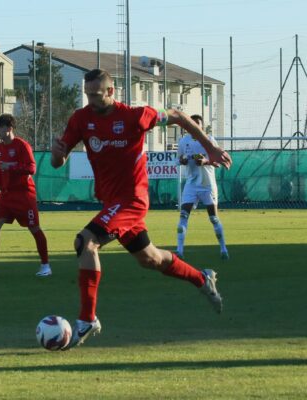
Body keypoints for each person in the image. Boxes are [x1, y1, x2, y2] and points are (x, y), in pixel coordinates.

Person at [51, 69, 232, 350]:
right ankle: (202, 278)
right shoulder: (81, 119)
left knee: (85, 242)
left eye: (96, 95)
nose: (90, 100)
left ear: (111, 92)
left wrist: (209, 148)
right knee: (150, 259)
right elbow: (57, 163)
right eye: (87, 94)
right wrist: (57, 153)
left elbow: (177, 115)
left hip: (132, 200)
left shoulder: (135, 116)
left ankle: (86, 320)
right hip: (113, 204)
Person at [0, 114, 51, 277]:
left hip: (24, 196)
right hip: (6, 196)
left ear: (9, 128)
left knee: (34, 228)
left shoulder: (22, 146)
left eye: (0, 127)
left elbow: (32, 168)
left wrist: (11, 165)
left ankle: (45, 266)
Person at [176, 115, 229, 260]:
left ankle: (223, 249)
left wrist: (206, 161)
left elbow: (217, 163)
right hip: (191, 183)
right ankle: (179, 251)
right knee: (183, 215)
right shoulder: (183, 141)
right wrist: (183, 160)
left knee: (213, 218)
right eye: (193, 125)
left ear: (202, 127)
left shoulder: (210, 140)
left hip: (207, 184)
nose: (196, 127)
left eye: (198, 125)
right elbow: (179, 159)